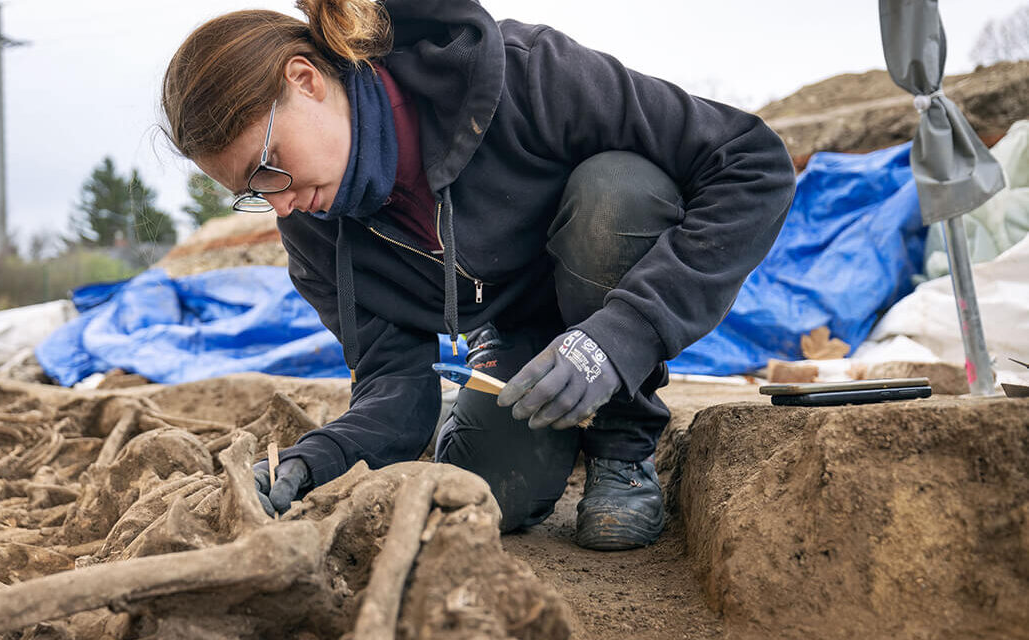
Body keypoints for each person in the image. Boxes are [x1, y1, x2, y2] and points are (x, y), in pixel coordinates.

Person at [161, 0, 795, 550]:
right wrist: (315, 461)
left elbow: (750, 162)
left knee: (618, 191)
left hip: (608, 290)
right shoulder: (312, 227)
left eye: (269, 166)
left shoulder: (524, 72)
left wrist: (620, 337)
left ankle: (622, 450)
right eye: (251, 191)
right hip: (517, 337)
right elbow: (392, 382)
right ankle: (493, 395)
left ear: (305, 81)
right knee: (494, 496)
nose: (278, 202)